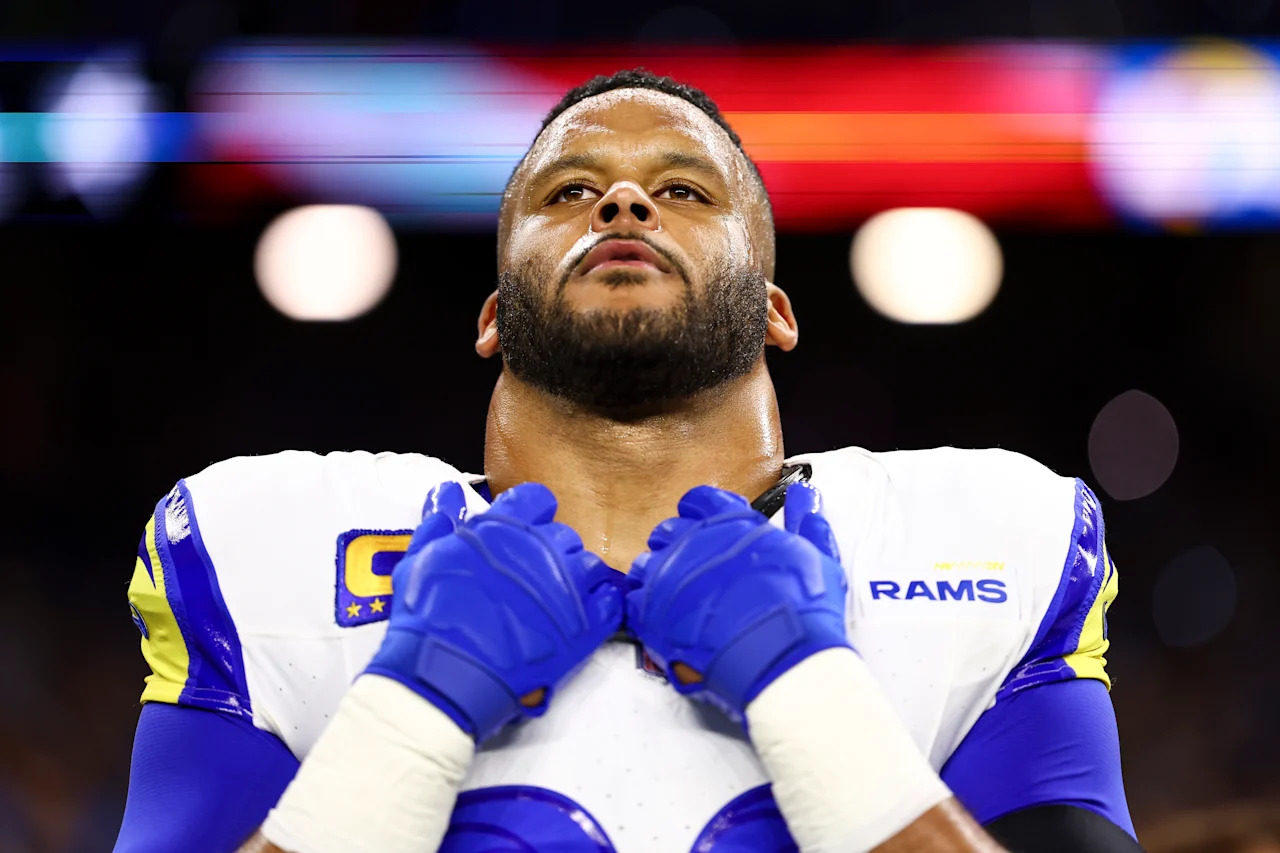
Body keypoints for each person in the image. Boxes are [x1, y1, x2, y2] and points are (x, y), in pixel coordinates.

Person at [113, 69, 1141, 853]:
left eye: (683, 190)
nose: (622, 205)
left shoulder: (989, 535)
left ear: (775, 312)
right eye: (570, 191)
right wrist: (408, 716)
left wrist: (811, 699)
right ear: (492, 316)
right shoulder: (261, 549)